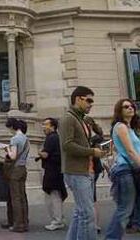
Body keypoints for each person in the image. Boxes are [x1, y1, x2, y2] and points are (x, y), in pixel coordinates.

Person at [59, 86, 106, 240]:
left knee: (81, 213)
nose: (91, 104)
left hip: (85, 171)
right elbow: (67, 145)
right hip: (77, 172)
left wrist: (94, 149)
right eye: (89, 100)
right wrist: (92, 152)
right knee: (88, 215)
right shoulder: (68, 118)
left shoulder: (79, 119)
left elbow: (78, 144)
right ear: (78, 99)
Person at [105, 99, 140, 239]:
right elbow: (130, 151)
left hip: (129, 169)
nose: (130, 108)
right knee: (125, 208)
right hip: (124, 169)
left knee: (127, 207)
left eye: (132, 106)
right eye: (126, 107)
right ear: (119, 110)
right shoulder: (120, 127)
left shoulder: (129, 128)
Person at [1, 118, 29, 233]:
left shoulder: (15, 139)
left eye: (9, 128)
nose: (9, 131)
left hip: (15, 170)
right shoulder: (26, 139)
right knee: (22, 197)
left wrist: (6, 148)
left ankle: (18, 225)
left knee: (15, 198)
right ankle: (24, 222)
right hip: (23, 168)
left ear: (12, 127)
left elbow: (12, 156)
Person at [38, 117, 67, 231]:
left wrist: (40, 153)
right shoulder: (56, 137)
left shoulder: (51, 138)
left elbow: (46, 154)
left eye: (45, 125)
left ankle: (57, 221)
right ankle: (60, 218)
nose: (43, 127)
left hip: (52, 170)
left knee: (53, 196)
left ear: (53, 126)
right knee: (56, 195)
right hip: (57, 170)